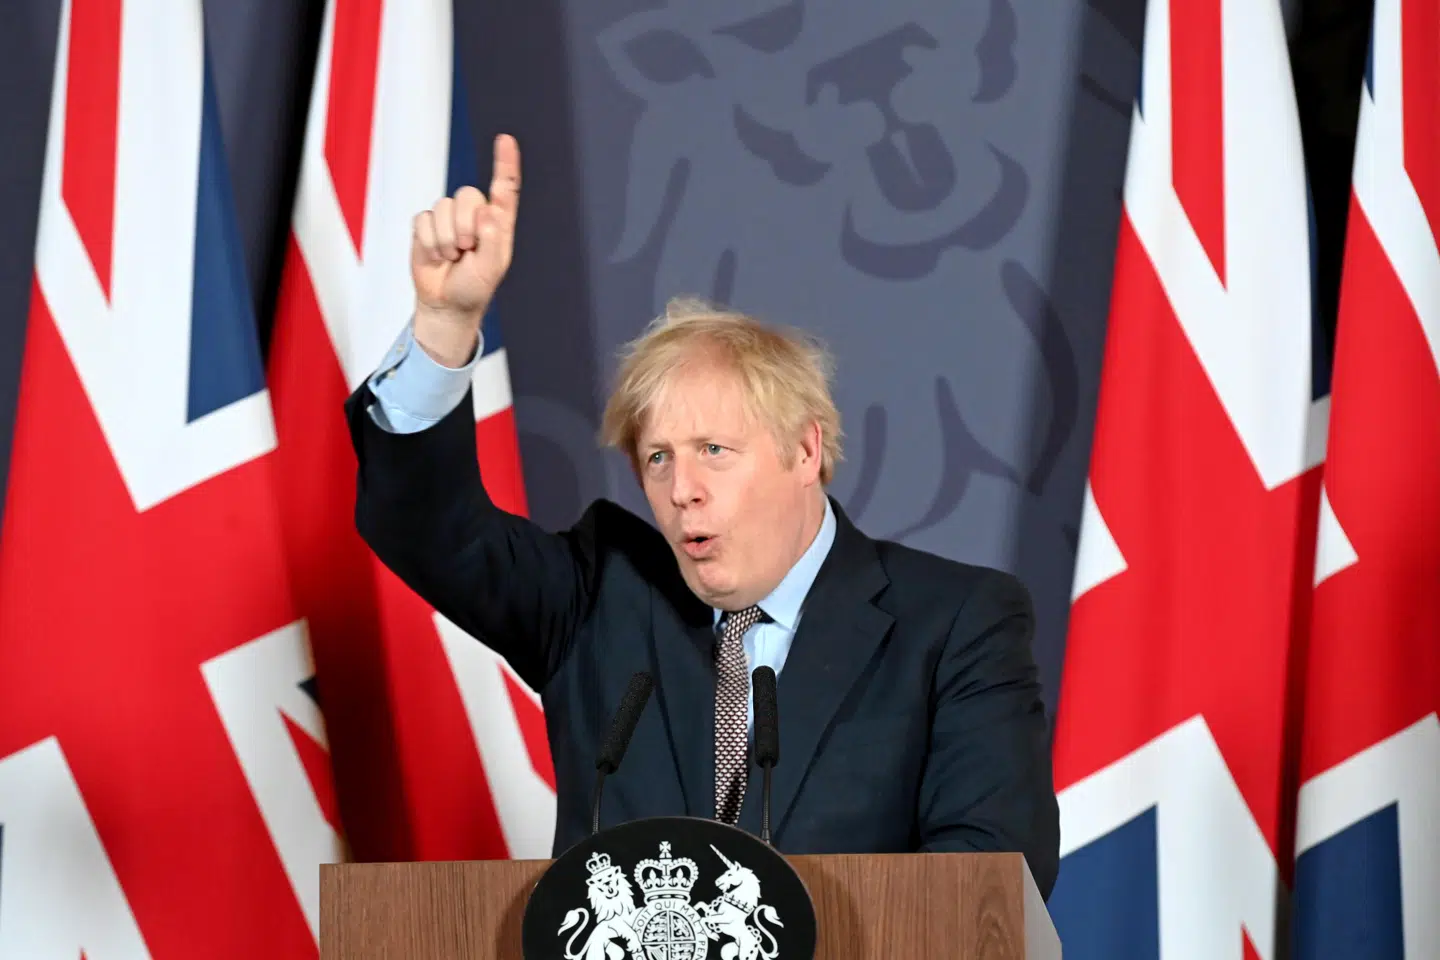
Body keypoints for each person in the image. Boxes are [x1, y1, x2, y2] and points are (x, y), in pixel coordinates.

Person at [343, 134, 1060, 897]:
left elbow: (989, 875)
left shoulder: (953, 623)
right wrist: (446, 324)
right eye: (658, 458)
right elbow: (426, 529)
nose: (682, 488)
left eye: (714, 450)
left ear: (804, 450)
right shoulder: (596, 596)